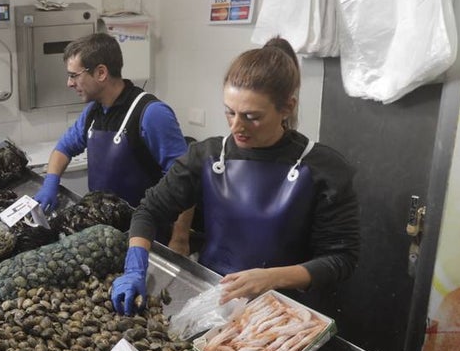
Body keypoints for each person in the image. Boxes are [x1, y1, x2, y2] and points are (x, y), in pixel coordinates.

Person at [110, 38, 360, 314]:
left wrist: (272, 277)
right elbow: (149, 211)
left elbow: (341, 259)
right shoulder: (207, 155)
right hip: (216, 296)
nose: (237, 126)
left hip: (284, 311)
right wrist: (134, 267)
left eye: (252, 116)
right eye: (230, 112)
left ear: (287, 107)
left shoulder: (324, 168)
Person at [33, 32, 188, 211]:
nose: (69, 83)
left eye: (74, 75)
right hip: (105, 221)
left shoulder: (151, 113)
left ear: (101, 73)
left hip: (148, 228)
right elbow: (63, 148)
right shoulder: (93, 111)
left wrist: (179, 237)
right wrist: (51, 182)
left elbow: (183, 178)